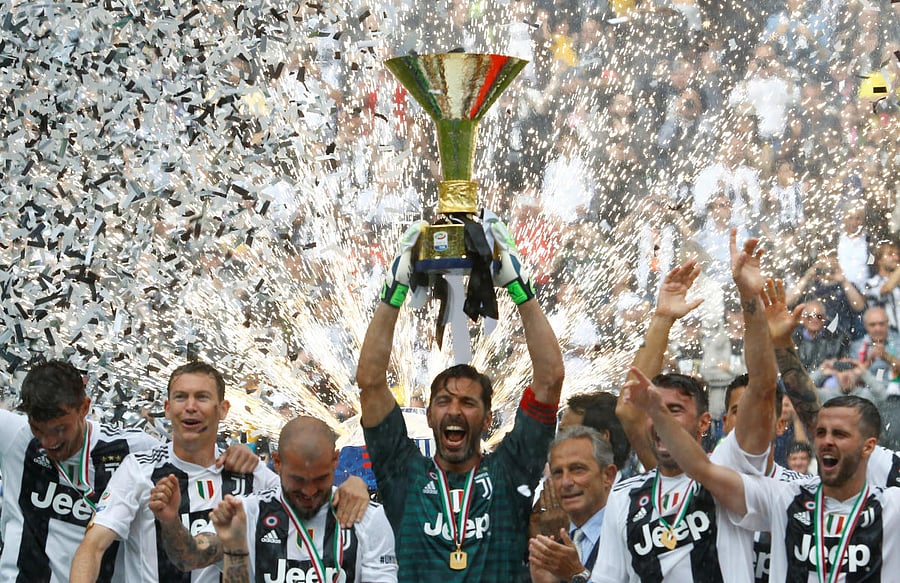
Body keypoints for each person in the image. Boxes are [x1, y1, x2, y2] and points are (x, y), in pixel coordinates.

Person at [356, 220, 565, 581]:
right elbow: (370, 382)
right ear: (429, 415)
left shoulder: (510, 470)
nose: (454, 410)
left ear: (487, 419)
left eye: (468, 403)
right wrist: (394, 293)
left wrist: (520, 291)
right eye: (444, 401)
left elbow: (550, 378)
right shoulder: (403, 473)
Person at [623, 371, 900, 581]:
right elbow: (700, 469)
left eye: (839, 434)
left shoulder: (893, 507)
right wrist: (658, 414)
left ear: (869, 447)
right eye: (820, 433)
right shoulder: (785, 497)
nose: (826, 441)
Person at [70, 361, 278, 582]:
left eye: (202, 397)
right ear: (167, 409)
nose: (190, 406)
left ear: (223, 409)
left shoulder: (250, 472)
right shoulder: (139, 468)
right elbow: (93, 546)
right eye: (181, 397)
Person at [0, 360, 160, 582]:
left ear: (84, 407)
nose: (48, 442)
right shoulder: (16, 436)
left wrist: (227, 454)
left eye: (60, 429)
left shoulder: (131, 449)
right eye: (38, 429)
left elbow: (196, 461)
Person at [204, 416, 397, 583]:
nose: (309, 491)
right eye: (298, 479)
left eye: (320, 479)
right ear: (277, 462)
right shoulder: (247, 512)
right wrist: (172, 521)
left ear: (335, 460)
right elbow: (187, 559)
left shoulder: (367, 516)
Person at [528, 426, 617, 583]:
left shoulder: (629, 531)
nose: (566, 482)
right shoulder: (552, 545)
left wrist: (576, 575)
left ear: (608, 476)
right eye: (557, 473)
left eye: (577, 469)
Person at [864, 241, 900, 333]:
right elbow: (885, 290)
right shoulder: (871, 283)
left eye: (897, 254)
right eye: (890, 254)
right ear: (879, 260)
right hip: (886, 337)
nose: (896, 258)